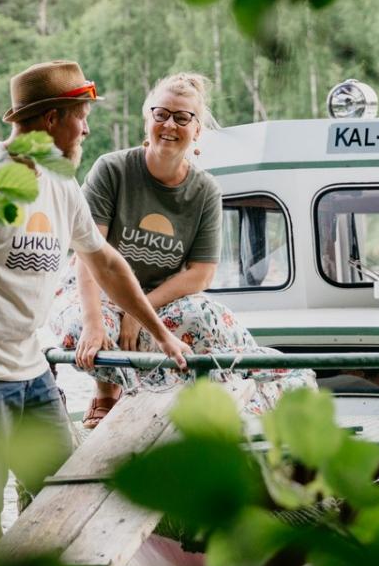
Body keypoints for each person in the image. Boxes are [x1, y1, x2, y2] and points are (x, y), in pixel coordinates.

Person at [0, 60, 190, 523]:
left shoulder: (60, 183)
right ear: (52, 120)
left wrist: (163, 334)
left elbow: (106, 263)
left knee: (69, 498)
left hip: (31, 372)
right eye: (81, 117)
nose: (87, 130)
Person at [55, 72, 312, 426]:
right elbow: (89, 252)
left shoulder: (205, 189)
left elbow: (200, 273)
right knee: (84, 331)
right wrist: (94, 321)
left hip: (161, 294)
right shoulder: (112, 169)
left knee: (202, 321)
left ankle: (238, 392)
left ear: (197, 130)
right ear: (147, 119)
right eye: (161, 114)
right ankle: (108, 395)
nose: (169, 125)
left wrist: (138, 311)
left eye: (182, 117)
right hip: (99, 283)